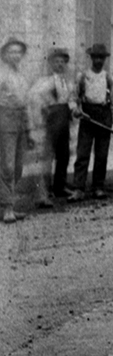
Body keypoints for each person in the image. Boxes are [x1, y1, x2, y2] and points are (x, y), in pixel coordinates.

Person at [70, 43, 113, 201]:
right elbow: (72, 98)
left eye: (102, 57)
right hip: (87, 116)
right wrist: (76, 110)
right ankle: (79, 189)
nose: (98, 60)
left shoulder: (109, 78)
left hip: (104, 116)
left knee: (101, 154)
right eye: (96, 57)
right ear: (91, 58)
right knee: (83, 153)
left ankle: (98, 187)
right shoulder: (82, 77)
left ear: (105, 59)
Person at [30, 47, 79, 206]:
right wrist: (43, 112)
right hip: (50, 121)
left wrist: (74, 109)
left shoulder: (68, 82)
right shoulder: (44, 81)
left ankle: (60, 187)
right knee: (46, 158)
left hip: (64, 120)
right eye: (56, 61)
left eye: (62, 62)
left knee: (63, 155)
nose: (59, 64)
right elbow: (35, 98)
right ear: (50, 63)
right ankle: (42, 193)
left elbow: (71, 99)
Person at [0, 38, 33, 223]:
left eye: (18, 52)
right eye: (11, 52)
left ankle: (6, 203)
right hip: (5, 119)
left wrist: (28, 131)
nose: (15, 55)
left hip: (20, 121)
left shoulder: (21, 75)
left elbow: (25, 102)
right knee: (7, 166)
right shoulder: (1, 74)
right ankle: (7, 208)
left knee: (18, 167)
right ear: (5, 55)